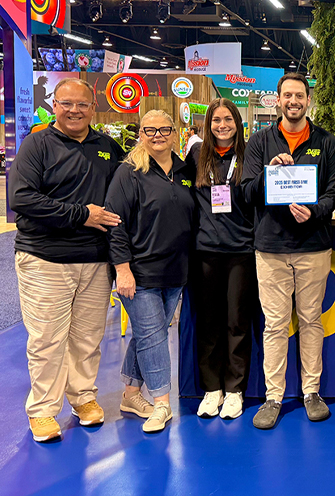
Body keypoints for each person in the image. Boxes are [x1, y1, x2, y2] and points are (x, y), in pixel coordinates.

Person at [10, 78, 125, 442]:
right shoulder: (37, 144)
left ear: (94, 107)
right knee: (47, 339)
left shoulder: (107, 147)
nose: (75, 111)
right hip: (45, 259)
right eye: (67, 104)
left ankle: (83, 398)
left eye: (82, 104)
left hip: (95, 260)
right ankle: (43, 410)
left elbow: (127, 191)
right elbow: (21, 198)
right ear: (55, 106)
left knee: (88, 338)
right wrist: (81, 214)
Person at [241, 73, 335, 430]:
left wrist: (314, 212)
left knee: (311, 319)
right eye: (288, 95)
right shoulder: (259, 142)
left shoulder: (326, 142)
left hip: (313, 246)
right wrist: (268, 174)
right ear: (278, 99)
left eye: (300, 95)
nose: (294, 101)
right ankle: (273, 397)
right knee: (275, 324)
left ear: (308, 100)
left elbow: (334, 192)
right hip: (270, 247)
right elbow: (246, 192)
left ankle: (311, 392)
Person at [106, 110, 195, 433]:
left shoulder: (185, 170)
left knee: (147, 334)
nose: (158, 135)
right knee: (154, 337)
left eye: (164, 129)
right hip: (140, 273)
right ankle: (161, 403)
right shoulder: (129, 172)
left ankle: (131, 394)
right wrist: (122, 269)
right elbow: (115, 223)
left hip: (176, 272)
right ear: (141, 134)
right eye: (150, 130)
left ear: (174, 132)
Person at [185, 98, 256, 420]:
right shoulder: (196, 155)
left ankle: (235, 390)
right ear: (208, 124)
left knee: (237, 322)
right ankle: (212, 389)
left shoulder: (248, 156)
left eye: (228, 119)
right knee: (208, 322)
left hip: (241, 251)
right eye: (216, 120)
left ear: (237, 123)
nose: (222, 125)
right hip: (206, 251)